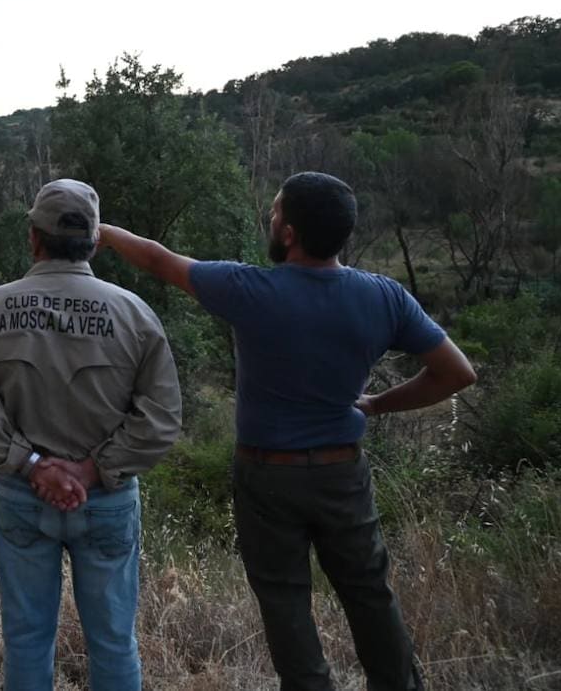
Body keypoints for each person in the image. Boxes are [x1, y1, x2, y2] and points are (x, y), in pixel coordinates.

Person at [98, 171, 477, 691]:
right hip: (343, 471)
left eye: (276, 213)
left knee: (284, 601)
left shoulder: (250, 289)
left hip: (266, 477)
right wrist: (376, 405)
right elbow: (456, 372)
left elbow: (161, 261)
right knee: (369, 593)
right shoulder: (384, 297)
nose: (270, 221)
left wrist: (107, 231)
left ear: (291, 233)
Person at [0, 178, 183, 691]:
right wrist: (93, 470)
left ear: (33, 237)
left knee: (27, 638)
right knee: (113, 642)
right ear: (96, 241)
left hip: (20, 499)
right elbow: (162, 416)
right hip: (106, 501)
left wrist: (33, 466)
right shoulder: (134, 313)